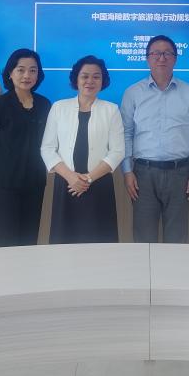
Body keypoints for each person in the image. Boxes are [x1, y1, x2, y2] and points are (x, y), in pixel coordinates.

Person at [120, 35, 189, 244]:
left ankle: (174, 269)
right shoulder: (132, 93)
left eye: (167, 53)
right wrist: (127, 171)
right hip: (143, 174)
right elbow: (126, 134)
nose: (161, 58)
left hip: (180, 174)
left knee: (176, 240)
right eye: (156, 53)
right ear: (147, 58)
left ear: (175, 58)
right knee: (144, 239)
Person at [41, 55, 125, 244]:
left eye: (96, 76)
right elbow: (47, 148)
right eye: (85, 76)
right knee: (64, 241)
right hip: (67, 184)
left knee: (99, 242)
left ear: (103, 80)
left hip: (98, 184)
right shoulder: (59, 107)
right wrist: (72, 177)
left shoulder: (111, 110)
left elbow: (117, 151)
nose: (90, 81)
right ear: (76, 79)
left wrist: (87, 179)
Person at [0, 49, 51, 247]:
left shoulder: (45, 105)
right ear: (10, 73)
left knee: (29, 241)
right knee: (5, 242)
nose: (27, 75)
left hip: (34, 183)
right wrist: (6, 165)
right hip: (3, 185)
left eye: (33, 70)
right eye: (21, 70)